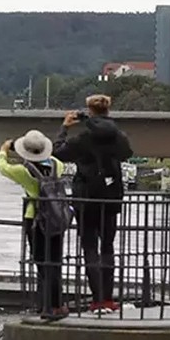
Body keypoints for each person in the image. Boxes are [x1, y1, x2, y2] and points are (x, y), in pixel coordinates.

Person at [53, 94, 133, 313]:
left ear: (89, 111)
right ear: (108, 110)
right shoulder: (118, 135)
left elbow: (57, 153)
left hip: (86, 197)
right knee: (108, 246)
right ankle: (108, 299)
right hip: (112, 195)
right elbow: (128, 154)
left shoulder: (84, 138)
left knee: (89, 247)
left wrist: (64, 128)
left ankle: (97, 300)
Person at [0, 130, 68, 319]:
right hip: (56, 218)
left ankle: (47, 306)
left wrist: (4, 149)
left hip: (35, 219)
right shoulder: (57, 165)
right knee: (55, 262)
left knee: (41, 263)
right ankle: (57, 305)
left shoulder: (24, 171)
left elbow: (3, 167)